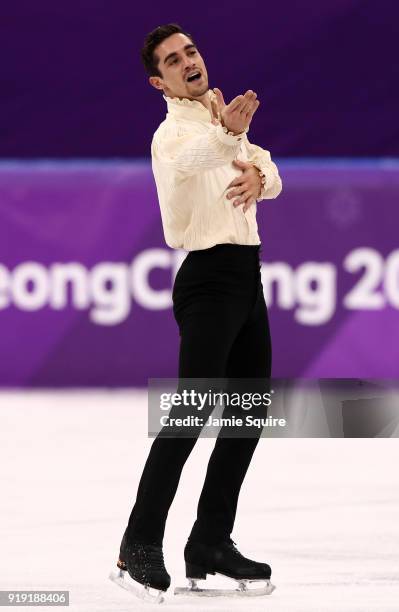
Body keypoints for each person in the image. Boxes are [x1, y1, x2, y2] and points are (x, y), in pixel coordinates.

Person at [111, 23, 282, 600]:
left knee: (248, 414)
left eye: (191, 51)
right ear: (159, 81)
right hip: (207, 282)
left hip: (246, 276)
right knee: (190, 412)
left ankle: (209, 541)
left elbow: (269, 171)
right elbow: (193, 159)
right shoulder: (174, 134)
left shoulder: (221, 115)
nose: (188, 61)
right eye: (173, 59)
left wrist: (260, 174)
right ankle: (138, 540)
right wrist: (230, 139)